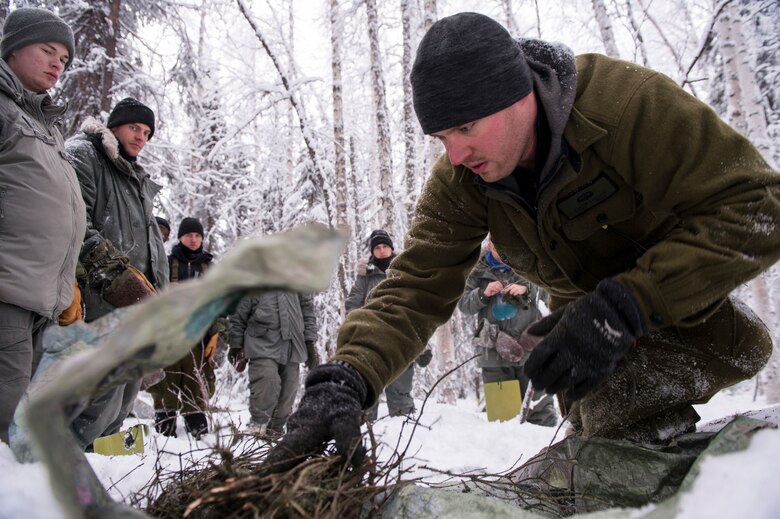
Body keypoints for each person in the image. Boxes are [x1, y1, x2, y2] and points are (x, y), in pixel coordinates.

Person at [266, 12, 780, 469]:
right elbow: (416, 285)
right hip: (584, 359)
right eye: (442, 139)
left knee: (612, 464)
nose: (458, 153)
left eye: (467, 127)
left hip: (677, 318)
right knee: (598, 455)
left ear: (519, 95)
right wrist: (347, 375)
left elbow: (759, 206)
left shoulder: (624, 107)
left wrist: (628, 306)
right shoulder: (462, 180)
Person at [0, 8, 86, 444]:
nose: (58, 63)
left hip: (40, 300)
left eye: (65, 59)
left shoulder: (45, 126)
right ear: (13, 49)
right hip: (7, 291)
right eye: (47, 50)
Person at [66, 97, 169, 449]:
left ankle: (97, 471)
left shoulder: (136, 179)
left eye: (146, 132)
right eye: (134, 128)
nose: (141, 137)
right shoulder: (85, 155)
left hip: (136, 308)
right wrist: (116, 277)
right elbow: (74, 221)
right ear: (114, 127)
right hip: (98, 300)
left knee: (122, 399)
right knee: (95, 397)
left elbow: (149, 248)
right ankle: (60, 471)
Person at [458, 237, 556, 427]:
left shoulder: (531, 264)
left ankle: (547, 453)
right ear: (490, 244)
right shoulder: (476, 270)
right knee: (503, 420)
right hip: (493, 356)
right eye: (496, 243)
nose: (500, 248)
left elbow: (551, 292)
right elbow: (463, 305)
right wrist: (482, 293)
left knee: (540, 415)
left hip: (532, 352)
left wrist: (527, 289)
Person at [147, 217, 227, 439]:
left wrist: (218, 329)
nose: (193, 240)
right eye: (189, 235)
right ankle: (165, 433)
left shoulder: (209, 268)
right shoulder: (166, 263)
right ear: (180, 237)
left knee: (194, 381)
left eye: (197, 236)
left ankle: (199, 434)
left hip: (197, 335)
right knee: (167, 381)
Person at [345, 230, 432, 420]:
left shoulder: (406, 271)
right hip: (371, 340)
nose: (382, 250)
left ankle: (404, 431)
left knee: (401, 390)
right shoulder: (365, 276)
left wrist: (423, 343)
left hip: (400, 339)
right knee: (367, 389)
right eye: (377, 247)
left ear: (391, 248)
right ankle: (364, 437)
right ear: (372, 251)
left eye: (385, 246)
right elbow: (352, 304)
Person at [228, 288, 320, 437]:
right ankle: (257, 424)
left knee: (289, 388)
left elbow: (308, 312)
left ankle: (276, 429)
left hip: (293, 343)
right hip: (261, 341)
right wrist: (236, 345)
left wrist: (310, 342)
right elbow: (239, 314)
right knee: (267, 379)